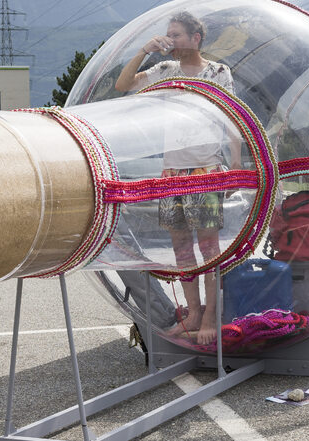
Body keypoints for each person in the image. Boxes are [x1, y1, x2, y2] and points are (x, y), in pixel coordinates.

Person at [116, 12, 238, 345]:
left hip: (204, 170)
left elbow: (232, 117)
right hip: (173, 172)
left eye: (177, 35)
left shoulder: (217, 72)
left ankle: (211, 314)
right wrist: (145, 50)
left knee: (209, 248)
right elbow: (123, 85)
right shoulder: (165, 70)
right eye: (167, 34)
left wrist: (236, 168)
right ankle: (193, 310)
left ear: (196, 38)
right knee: (181, 247)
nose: (170, 40)